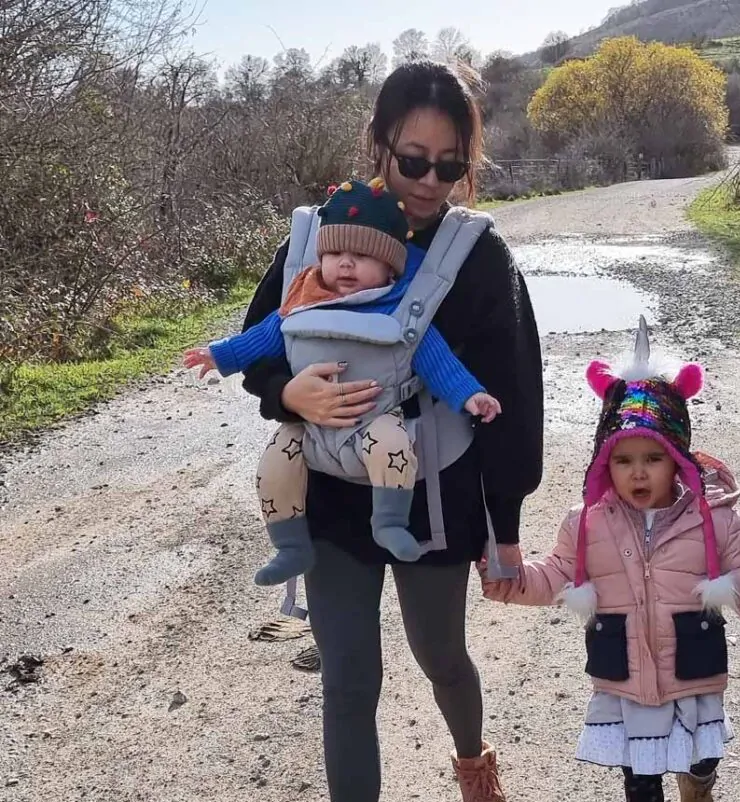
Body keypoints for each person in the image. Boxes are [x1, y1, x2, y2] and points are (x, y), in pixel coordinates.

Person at [240, 61, 544, 802]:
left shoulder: (477, 256)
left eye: (450, 167)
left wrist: (506, 527)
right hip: (334, 501)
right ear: (380, 145)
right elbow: (262, 344)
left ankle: (474, 762)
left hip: (437, 498)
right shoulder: (320, 238)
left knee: (441, 653)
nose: (428, 185)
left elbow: (512, 395)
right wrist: (288, 394)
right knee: (348, 680)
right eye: (414, 160)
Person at [480, 325, 740, 802]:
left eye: (654, 458)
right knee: (638, 770)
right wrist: (511, 582)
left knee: (700, 753)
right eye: (624, 461)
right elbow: (554, 576)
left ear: (678, 458)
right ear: (603, 465)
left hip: (692, 670)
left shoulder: (714, 523)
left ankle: (700, 782)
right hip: (627, 676)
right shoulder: (585, 525)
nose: (638, 473)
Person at [183, 178, 501, 578]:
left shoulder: (400, 310)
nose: (345, 264)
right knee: (274, 463)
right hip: (308, 427)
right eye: (333, 252)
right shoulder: (301, 301)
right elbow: (260, 339)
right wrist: (219, 354)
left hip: (375, 420)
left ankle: (389, 523)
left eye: (361, 255)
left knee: (394, 447)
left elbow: (437, 363)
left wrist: (470, 395)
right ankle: (290, 545)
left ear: (391, 265)